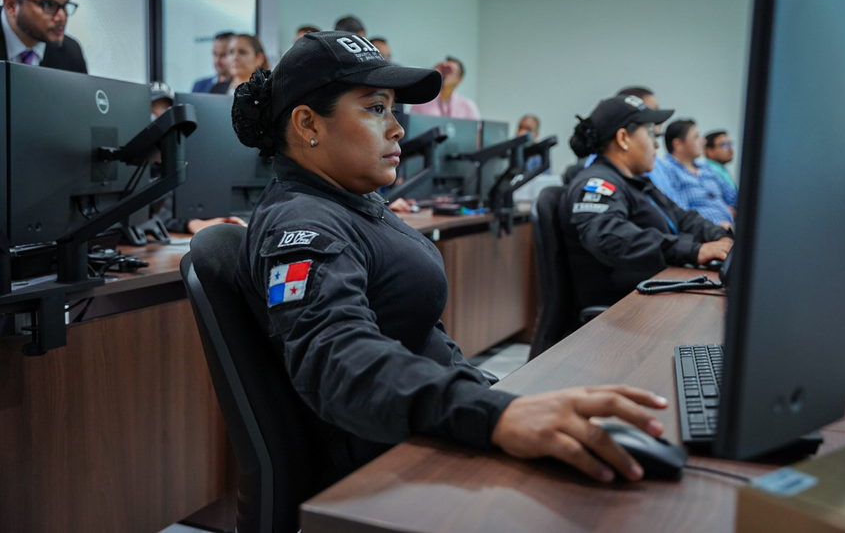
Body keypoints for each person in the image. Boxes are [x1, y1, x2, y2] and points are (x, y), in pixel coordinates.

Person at [230, 31, 670, 491]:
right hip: (393, 472)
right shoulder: (304, 227)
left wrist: (495, 399)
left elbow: (416, 334)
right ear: (307, 125)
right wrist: (495, 414)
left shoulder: (352, 204)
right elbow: (340, 362)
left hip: (432, 432)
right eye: (376, 108)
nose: (398, 127)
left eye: (394, 109)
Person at [560, 95, 733, 310]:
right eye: (650, 133)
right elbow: (609, 237)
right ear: (623, 138)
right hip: (625, 309)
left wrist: (721, 238)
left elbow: (683, 217)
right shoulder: (597, 183)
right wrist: (692, 250)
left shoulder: (636, 182)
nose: (655, 144)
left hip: (656, 292)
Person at [148, 81, 246, 234]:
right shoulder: (133, 170)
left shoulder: (190, 163)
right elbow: (146, 214)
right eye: (155, 115)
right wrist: (190, 223)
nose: (163, 123)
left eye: (167, 114)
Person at [1, 0, 86, 73]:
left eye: (64, 5)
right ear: (11, 5)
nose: (62, 17)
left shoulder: (71, 53)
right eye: (48, 4)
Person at [659, 119, 737, 228]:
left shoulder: (705, 169)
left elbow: (733, 198)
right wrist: (716, 226)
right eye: (696, 137)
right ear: (678, 144)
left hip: (730, 228)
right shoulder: (668, 171)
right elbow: (681, 214)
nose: (703, 141)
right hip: (706, 235)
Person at [409, 56, 480, 120]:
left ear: (459, 79)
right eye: (443, 69)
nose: (445, 73)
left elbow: (476, 132)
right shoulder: (422, 102)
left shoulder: (468, 107)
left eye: (450, 70)